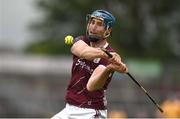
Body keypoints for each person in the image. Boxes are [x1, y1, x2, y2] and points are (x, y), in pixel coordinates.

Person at [51, 9, 128, 119]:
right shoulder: (81, 41)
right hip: (69, 109)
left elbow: (92, 86)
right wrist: (107, 54)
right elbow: (83, 52)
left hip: (91, 112)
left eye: (99, 24)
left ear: (108, 30)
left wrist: (109, 68)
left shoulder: (108, 61)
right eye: (92, 22)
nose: (93, 27)